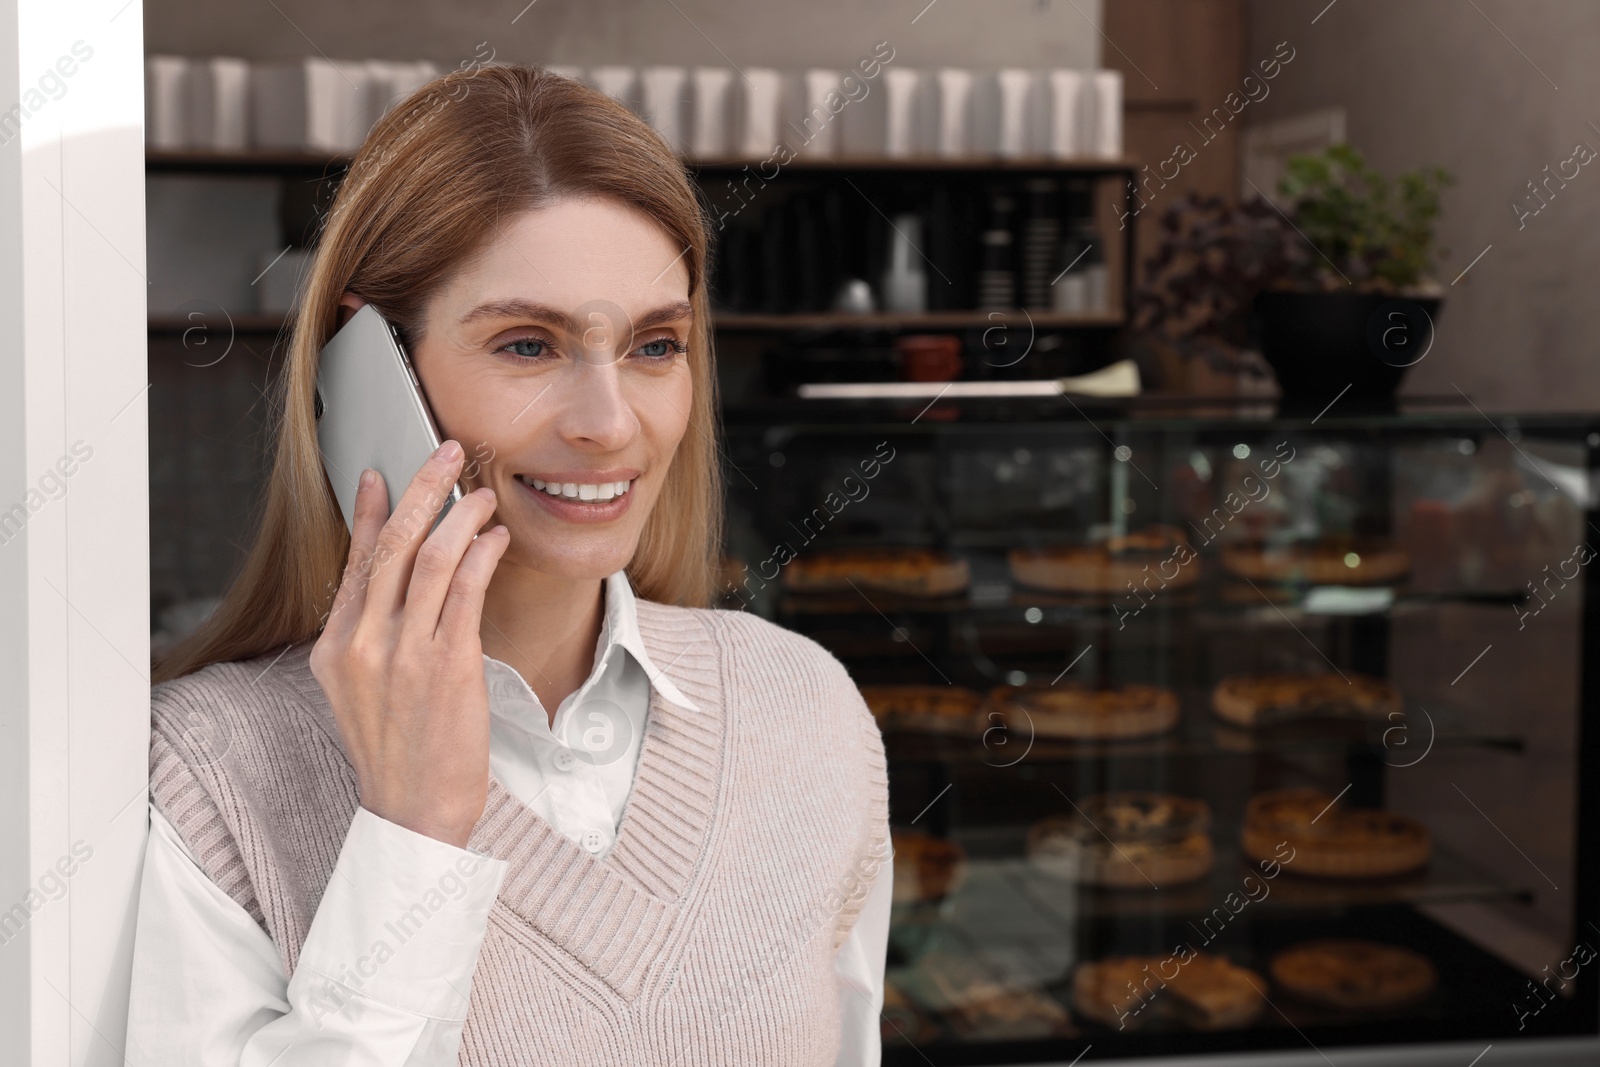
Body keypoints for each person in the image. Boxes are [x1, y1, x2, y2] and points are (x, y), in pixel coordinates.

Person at [126, 64, 892, 1066]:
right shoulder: (204, 773)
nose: (610, 423)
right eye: (529, 346)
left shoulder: (805, 709)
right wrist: (411, 835)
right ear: (368, 362)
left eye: (654, 346)